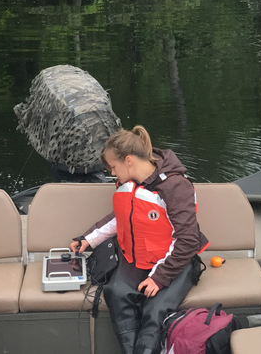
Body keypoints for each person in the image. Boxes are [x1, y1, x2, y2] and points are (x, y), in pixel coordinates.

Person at [71, 126, 208, 354]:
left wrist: (159, 278)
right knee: (116, 291)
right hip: (138, 258)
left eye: (113, 167)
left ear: (128, 160)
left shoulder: (175, 186)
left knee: (155, 310)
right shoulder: (128, 184)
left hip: (175, 261)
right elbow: (120, 217)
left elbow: (188, 240)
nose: (113, 173)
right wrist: (88, 239)